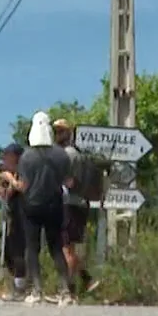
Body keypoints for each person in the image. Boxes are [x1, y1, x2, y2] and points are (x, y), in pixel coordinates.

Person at [13, 112, 77, 304]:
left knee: (32, 248)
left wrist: (10, 181)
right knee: (56, 247)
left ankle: (37, 290)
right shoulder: (61, 155)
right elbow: (70, 182)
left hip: (31, 206)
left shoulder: (26, 157)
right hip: (54, 205)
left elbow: (23, 186)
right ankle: (65, 291)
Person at [51, 118, 96, 295]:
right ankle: (86, 279)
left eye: (60, 131)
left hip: (69, 204)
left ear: (68, 134)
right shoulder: (80, 154)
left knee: (65, 247)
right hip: (80, 204)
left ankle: (68, 290)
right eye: (56, 131)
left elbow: (68, 182)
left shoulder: (67, 155)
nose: (57, 135)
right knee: (69, 247)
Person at [0, 144, 29, 299]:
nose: (5, 159)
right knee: (8, 252)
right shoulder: (11, 173)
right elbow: (6, 194)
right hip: (13, 216)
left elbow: (17, 189)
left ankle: (21, 288)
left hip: (23, 215)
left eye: (8, 156)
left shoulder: (23, 171)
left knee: (19, 251)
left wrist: (10, 179)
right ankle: (18, 284)